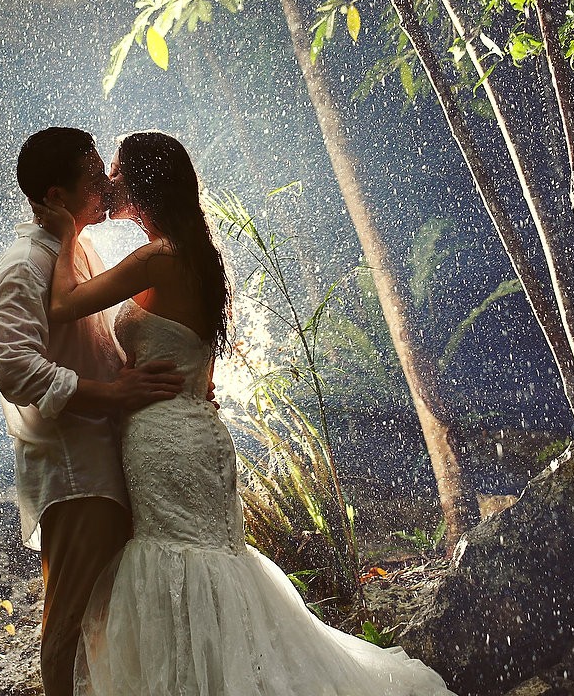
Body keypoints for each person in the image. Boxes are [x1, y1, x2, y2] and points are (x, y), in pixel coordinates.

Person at [33, 130, 458, 696]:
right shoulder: (198, 254)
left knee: (182, 569)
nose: (108, 182)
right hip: (195, 431)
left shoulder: (159, 257)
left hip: (166, 440)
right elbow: (199, 366)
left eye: (117, 171)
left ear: (142, 183)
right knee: (212, 569)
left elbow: (62, 305)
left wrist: (64, 233)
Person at [0, 127, 186, 696]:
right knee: (70, 622)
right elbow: (14, 368)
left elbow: (96, 344)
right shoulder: (25, 264)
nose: (106, 184)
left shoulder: (80, 252)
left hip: (107, 457)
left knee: (108, 614)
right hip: (74, 468)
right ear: (55, 196)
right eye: (93, 175)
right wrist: (114, 395)